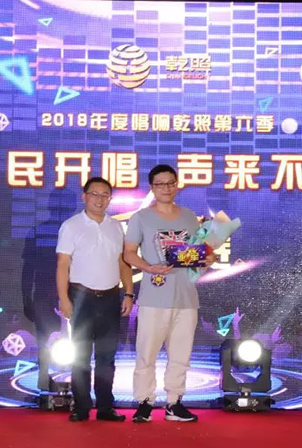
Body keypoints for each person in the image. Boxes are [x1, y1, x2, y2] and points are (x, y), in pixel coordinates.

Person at [124, 164, 215, 423]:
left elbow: (198, 253)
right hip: (154, 296)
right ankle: (144, 402)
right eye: (160, 184)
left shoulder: (189, 217)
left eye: (171, 183)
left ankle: (174, 402)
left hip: (186, 297)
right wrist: (148, 267)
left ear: (177, 185)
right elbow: (129, 253)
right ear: (152, 188)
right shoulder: (141, 218)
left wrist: (208, 259)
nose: (166, 188)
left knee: (181, 354)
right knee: (147, 353)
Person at [56, 177, 134, 422]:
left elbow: (123, 263)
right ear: (84, 197)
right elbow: (62, 265)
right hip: (81, 297)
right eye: (94, 194)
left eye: (104, 195)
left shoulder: (116, 226)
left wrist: (128, 292)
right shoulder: (71, 226)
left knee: (106, 357)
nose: (99, 199)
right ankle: (81, 407)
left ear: (110, 199)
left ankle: (105, 408)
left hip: (110, 297)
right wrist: (64, 299)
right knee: (80, 356)